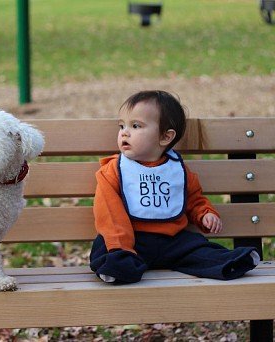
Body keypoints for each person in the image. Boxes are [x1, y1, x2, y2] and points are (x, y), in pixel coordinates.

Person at [90, 90, 260, 284]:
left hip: (173, 241)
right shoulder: (114, 170)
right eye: (122, 126)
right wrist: (121, 245)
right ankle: (118, 269)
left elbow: (194, 198)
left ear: (165, 137)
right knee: (106, 247)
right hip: (133, 242)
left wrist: (205, 214)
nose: (124, 132)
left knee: (198, 248)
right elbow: (110, 213)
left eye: (135, 126)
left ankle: (230, 261)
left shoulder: (176, 170)